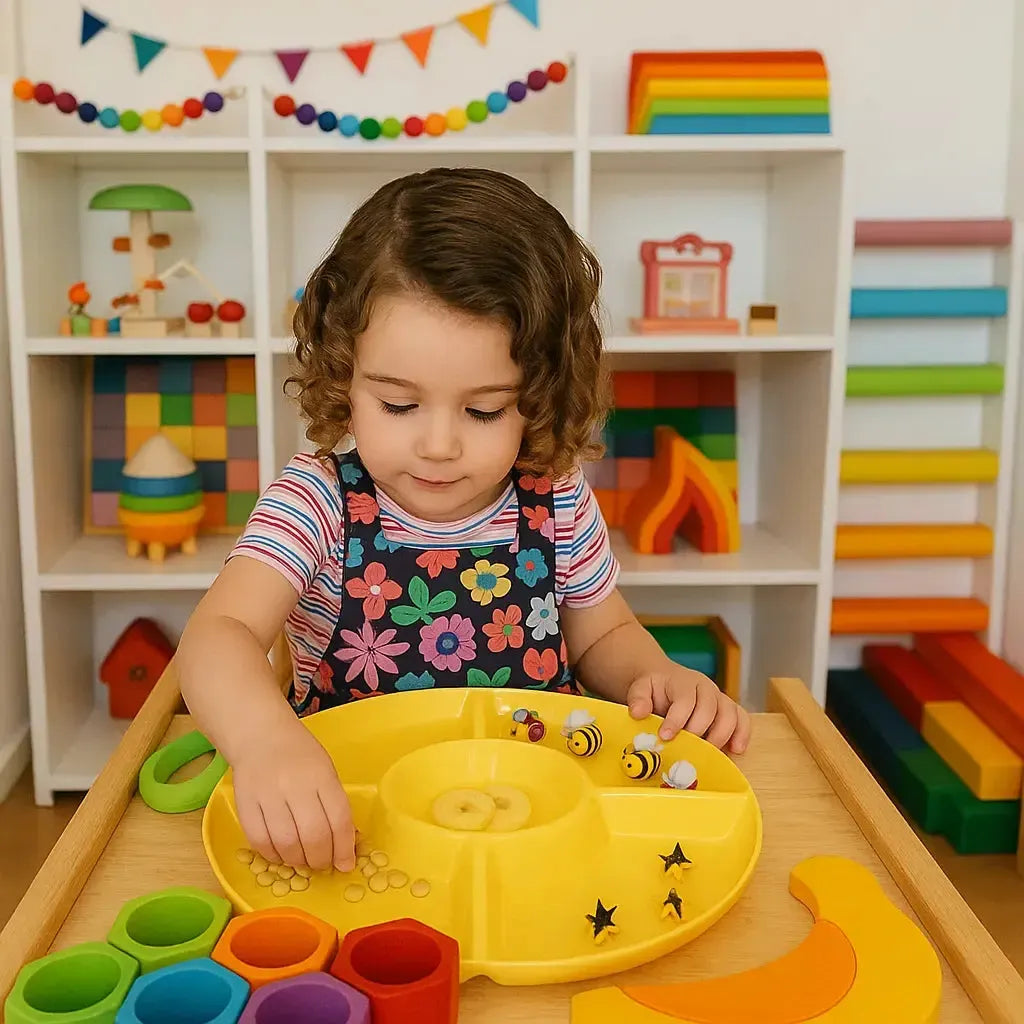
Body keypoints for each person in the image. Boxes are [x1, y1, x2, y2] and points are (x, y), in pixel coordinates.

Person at [176, 166, 751, 876]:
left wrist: (656, 675)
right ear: (345, 373)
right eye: (398, 404)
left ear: (541, 394)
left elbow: (602, 634)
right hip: (359, 833)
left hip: (537, 827)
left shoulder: (555, 496)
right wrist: (265, 741)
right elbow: (218, 635)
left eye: (484, 410)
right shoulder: (317, 501)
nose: (440, 445)